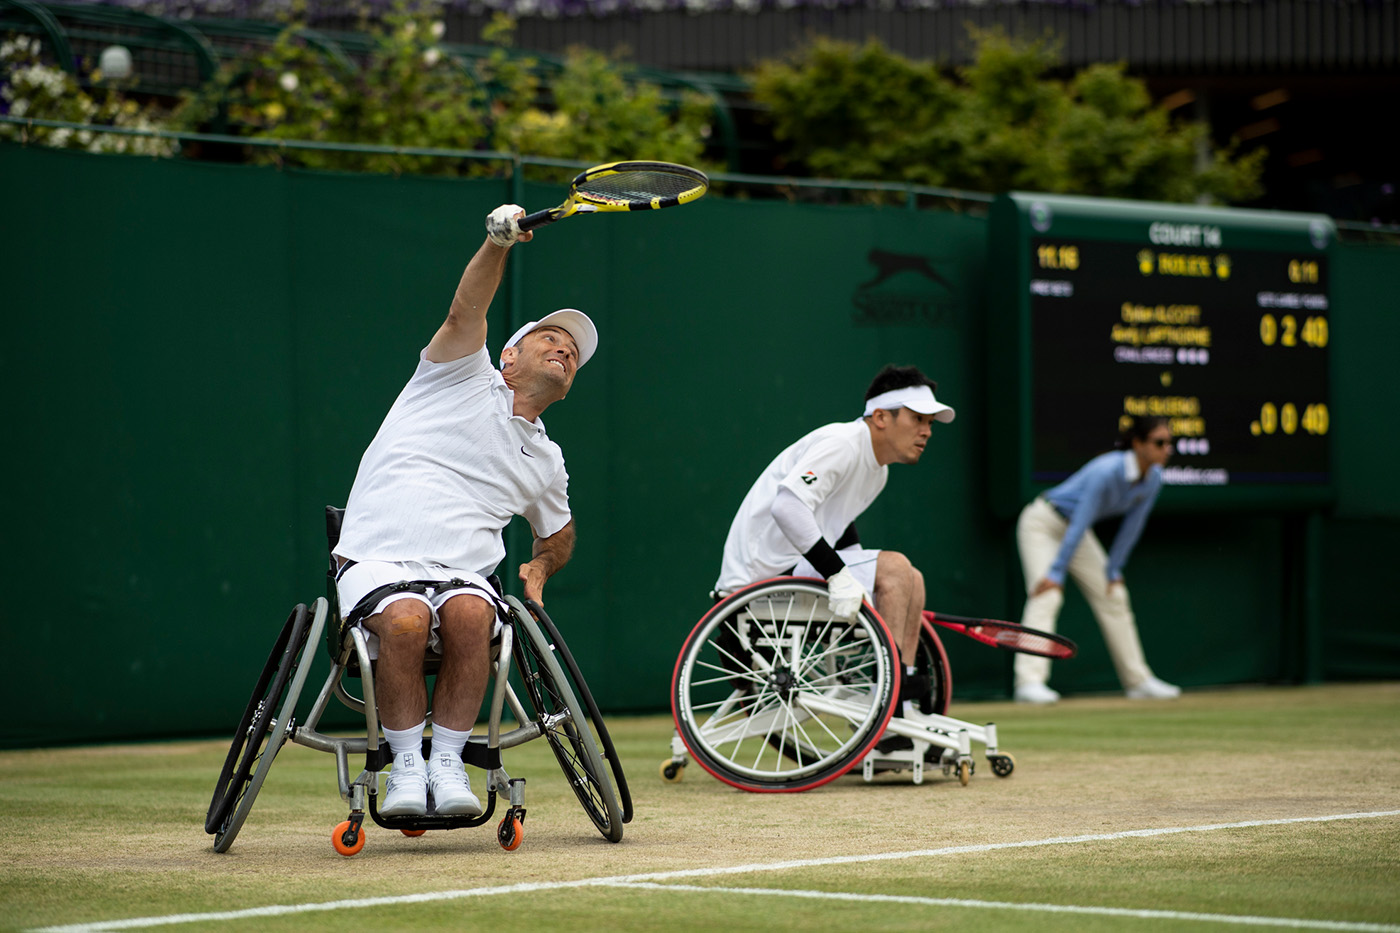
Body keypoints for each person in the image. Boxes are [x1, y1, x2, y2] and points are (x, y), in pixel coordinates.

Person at [331, 204, 598, 817]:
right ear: (507, 357)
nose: (563, 350)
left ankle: (448, 760)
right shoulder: (455, 375)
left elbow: (556, 531)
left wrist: (541, 567)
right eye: (548, 339)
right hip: (378, 558)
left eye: (573, 354)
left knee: (474, 616)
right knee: (401, 622)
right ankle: (404, 765)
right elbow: (465, 309)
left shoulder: (546, 459)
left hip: (463, 575)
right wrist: (497, 243)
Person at [715, 364, 955, 683]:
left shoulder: (878, 471)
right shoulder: (843, 442)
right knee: (896, 568)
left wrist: (862, 581)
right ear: (881, 417)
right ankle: (890, 692)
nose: (927, 431)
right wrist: (840, 576)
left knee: (912, 579)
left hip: (793, 572)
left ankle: (901, 692)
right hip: (759, 580)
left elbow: (839, 526)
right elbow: (787, 506)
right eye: (917, 419)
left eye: (929, 422)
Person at [1012, 415, 1181, 704]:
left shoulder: (1153, 479)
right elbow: (1081, 520)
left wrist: (1114, 568)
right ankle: (1028, 683)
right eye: (1160, 442)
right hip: (1042, 522)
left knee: (1114, 594)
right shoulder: (1106, 471)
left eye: (1170, 443)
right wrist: (1055, 573)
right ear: (1138, 444)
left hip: (1075, 531)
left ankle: (1138, 681)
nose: (1167, 449)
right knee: (1047, 594)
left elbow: (1133, 526)